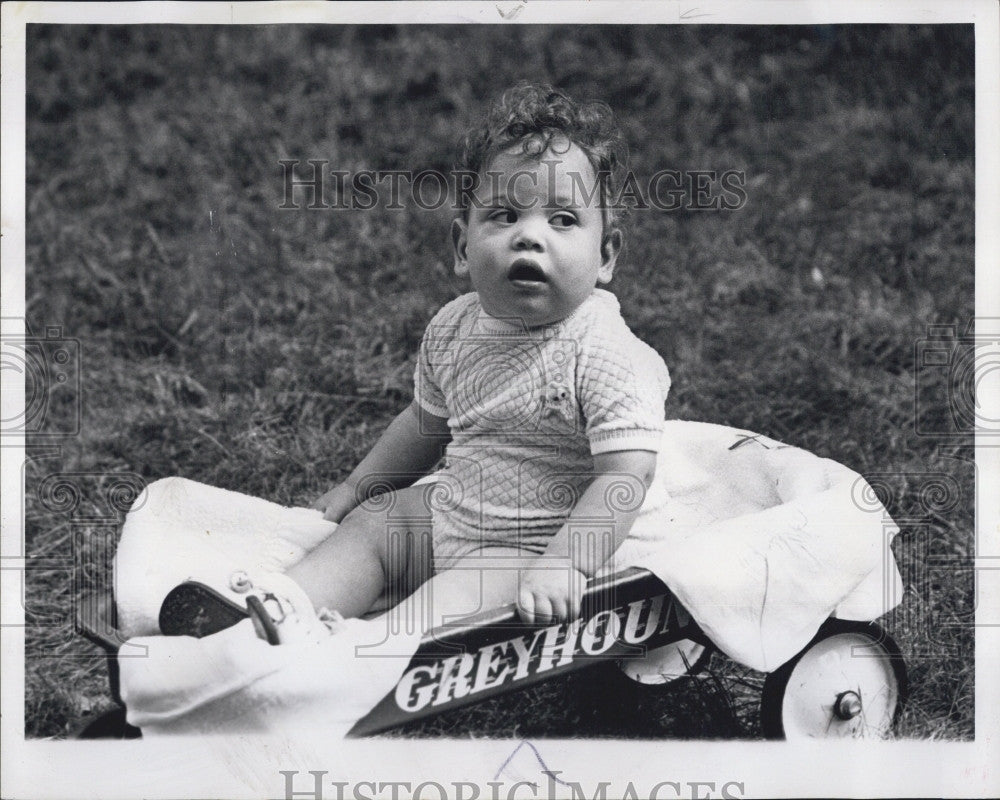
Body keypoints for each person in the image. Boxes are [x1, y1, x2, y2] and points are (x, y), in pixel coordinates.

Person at [163, 83, 671, 645]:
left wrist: (567, 565)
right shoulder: (455, 328)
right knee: (373, 528)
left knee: (453, 596)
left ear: (606, 257)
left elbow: (626, 476)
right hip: (456, 510)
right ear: (461, 247)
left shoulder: (606, 353)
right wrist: (360, 486)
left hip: (536, 544)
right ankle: (279, 610)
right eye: (504, 215)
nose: (529, 235)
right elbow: (423, 425)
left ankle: (352, 652)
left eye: (563, 220)